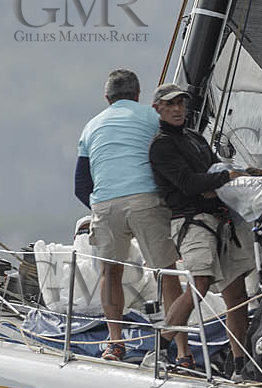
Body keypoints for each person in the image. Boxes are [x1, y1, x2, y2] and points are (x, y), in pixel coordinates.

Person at [148, 84, 262, 370]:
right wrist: (221, 179)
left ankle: (239, 366)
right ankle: (161, 346)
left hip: (220, 220)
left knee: (236, 294)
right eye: (170, 104)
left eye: (181, 104)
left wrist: (244, 175)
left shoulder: (195, 138)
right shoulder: (161, 145)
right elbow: (188, 184)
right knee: (199, 283)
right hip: (190, 222)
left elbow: (211, 174)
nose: (177, 109)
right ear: (158, 109)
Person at [73, 68, 183, 362]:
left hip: (105, 205)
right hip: (146, 201)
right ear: (137, 95)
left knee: (111, 274)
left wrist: (100, 208)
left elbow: (81, 185)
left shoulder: (90, 126)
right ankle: (182, 352)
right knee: (167, 273)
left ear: (107, 98)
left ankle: (115, 343)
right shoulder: (152, 117)